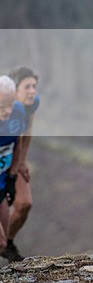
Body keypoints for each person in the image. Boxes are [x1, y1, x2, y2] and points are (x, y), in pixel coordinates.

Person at [2, 67, 40, 262]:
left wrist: (22, 161)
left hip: (13, 160)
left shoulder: (30, 106)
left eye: (34, 86)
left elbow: (27, 131)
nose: (32, 91)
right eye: (27, 87)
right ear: (14, 91)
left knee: (25, 204)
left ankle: (7, 242)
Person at [0, 75, 26, 260]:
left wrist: (12, 177)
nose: (8, 111)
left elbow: (18, 143)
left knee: (4, 241)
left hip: (1, 183)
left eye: (11, 104)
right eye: (2, 106)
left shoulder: (17, 112)